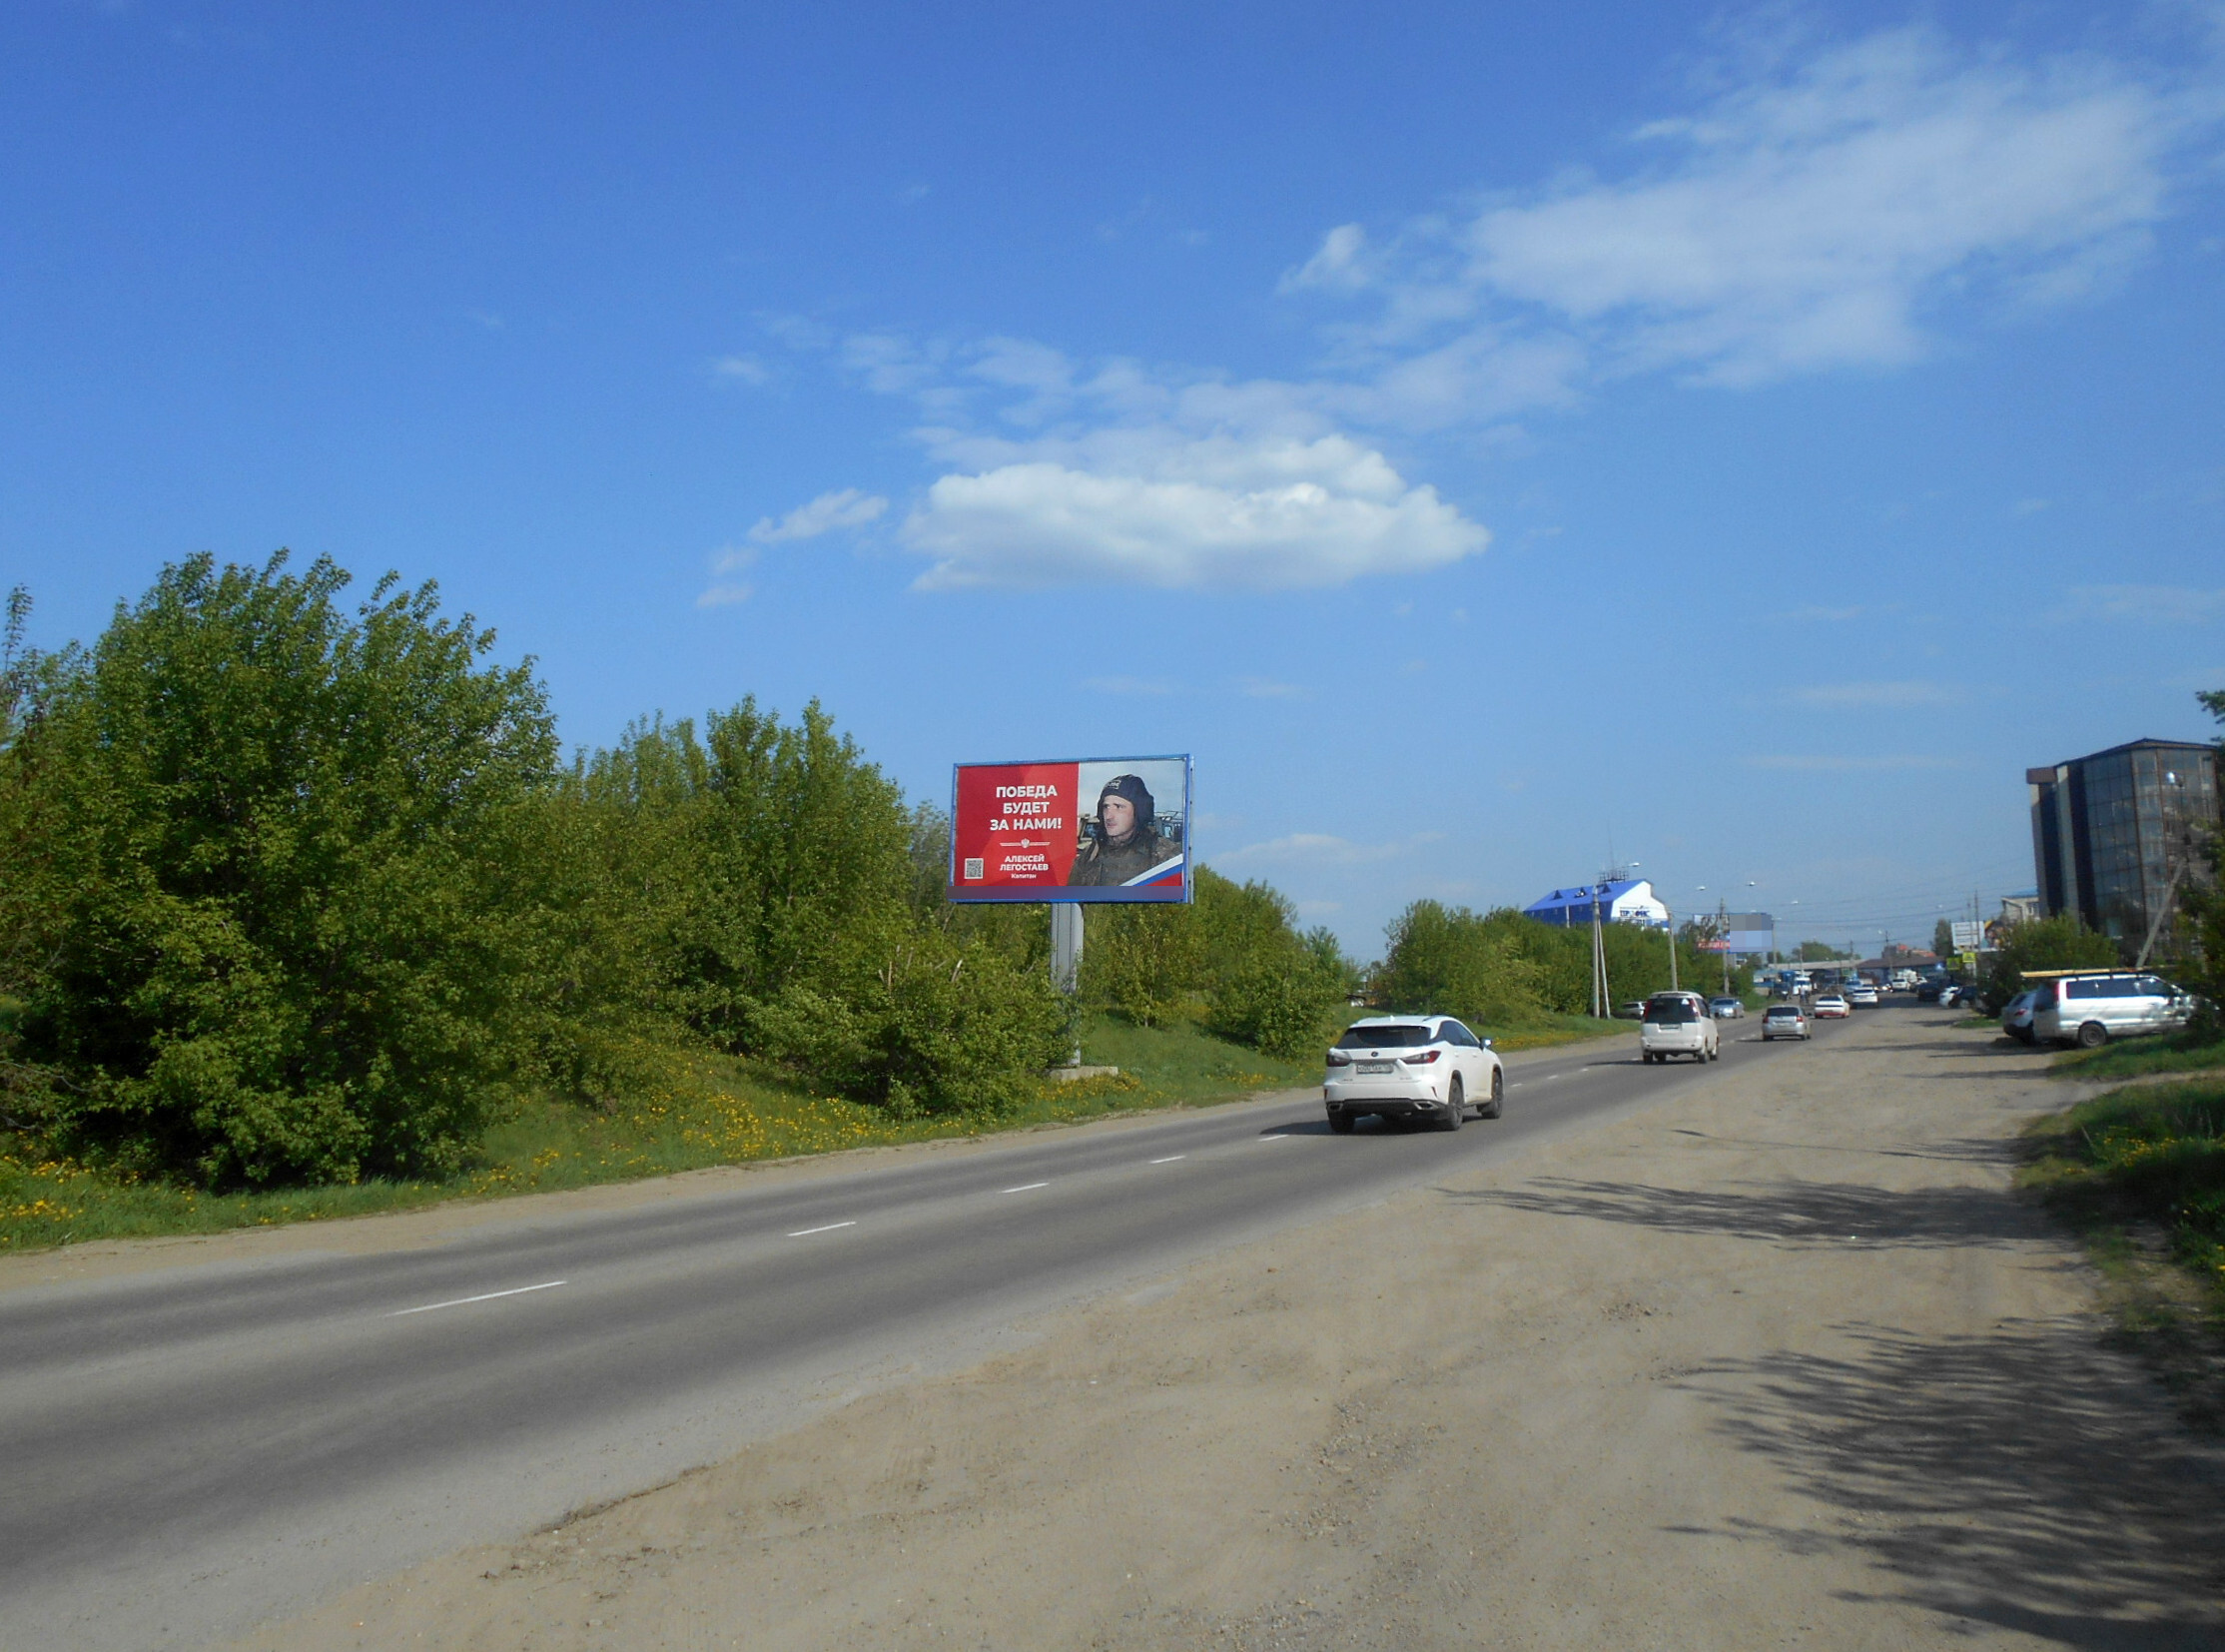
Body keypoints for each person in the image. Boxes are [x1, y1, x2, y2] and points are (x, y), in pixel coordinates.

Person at [1069, 773, 1178, 886]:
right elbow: (1071, 895)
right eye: (1106, 807)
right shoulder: (1090, 854)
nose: (1109, 816)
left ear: (1139, 811)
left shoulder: (1164, 854)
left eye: (1119, 807)